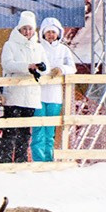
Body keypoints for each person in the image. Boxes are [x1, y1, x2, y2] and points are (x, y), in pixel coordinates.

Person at [0, 11, 45, 163]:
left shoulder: (38, 47)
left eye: (30, 29)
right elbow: (7, 64)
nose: (27, 32)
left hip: (30, 96)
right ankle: (5, 161)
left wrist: (41, 69)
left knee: (25, 133)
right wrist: (27, 67)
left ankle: (21, 161)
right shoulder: (10, 45)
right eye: (24, 28)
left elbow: (46, 67)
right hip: (14, 95)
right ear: (19, 29)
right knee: (10, 130)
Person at [34, 17, 76, 162]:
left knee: (50, 132)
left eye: (53, 32)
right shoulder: (37, 48)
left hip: (55, 96)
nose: (51, 35)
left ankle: (48, 160)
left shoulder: (64, 50)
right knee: (38, 130)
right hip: (38, 95)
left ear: (59, 33)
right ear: (43, 34)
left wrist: (60, 69)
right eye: (48, 32)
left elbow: (72, 68)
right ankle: (38, 160)